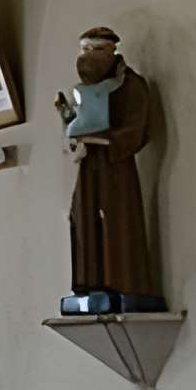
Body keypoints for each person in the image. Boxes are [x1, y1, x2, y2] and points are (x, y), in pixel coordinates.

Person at [58, 28, 163, 307]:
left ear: (111, 52)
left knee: (117, 222)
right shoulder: (86, 91)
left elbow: (136, 129)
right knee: (83, 218)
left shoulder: (131, 85)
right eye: (84, 50)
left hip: (115, 167)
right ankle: (91, 285)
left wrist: (102, 138)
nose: (88, 56)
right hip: (88, 163)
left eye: (95, 50)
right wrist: (68, 120)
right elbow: (78, 124)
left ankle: (123, 285)